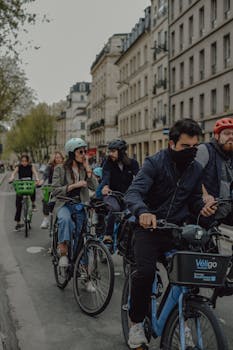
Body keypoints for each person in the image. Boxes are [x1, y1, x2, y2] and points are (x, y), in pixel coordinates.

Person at [124, 119, 217, 349]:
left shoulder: (195, 168)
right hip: (148, 229)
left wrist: (203, 207)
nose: (191, 152)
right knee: (145, 273)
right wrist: (143, 212)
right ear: (172, 143)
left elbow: (194, 199)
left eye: (195, 147)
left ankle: (181, 314)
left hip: (175, 231)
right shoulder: (154, 163)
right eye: (186, 147)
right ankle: (135, 323)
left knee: (189, 277)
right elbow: (133, 193)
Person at [51, 138, 97, 268]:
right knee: (65, 221)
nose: (84, 155)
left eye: (85, 151)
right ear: (72, 153)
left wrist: (88, 169)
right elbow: (55, 191)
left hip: (80, 205)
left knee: (82, 235)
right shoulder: (60, 169)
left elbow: (95, 187)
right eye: (80, 152)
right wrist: (73, 186)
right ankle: (64, 253)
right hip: (64, 204)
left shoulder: (84, 169)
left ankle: (81, 267)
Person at [101, 139, 139, 245]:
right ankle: (108, 234)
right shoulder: (108, 163)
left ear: (121, 152)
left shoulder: (133, 163)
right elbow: (106, 177)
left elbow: (140, 178)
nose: (110, 154)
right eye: (110, 151)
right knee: (115, 208)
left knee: (133, 211)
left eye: (113, 151)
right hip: (112, 194)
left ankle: (127, 237)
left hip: (127, 195)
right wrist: (105, 186)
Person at [196, 117, 233, 226]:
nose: (231, 137)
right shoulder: (205, 150)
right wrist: (205, 195)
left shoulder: (231, 156)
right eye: (226, 133)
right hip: (207, 212)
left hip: (226, 213)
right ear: (216, 136)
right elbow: (192, 176)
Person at [9, 154, 40, 231]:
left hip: (29, 186)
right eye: (22, 161)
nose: (24, 162)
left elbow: (35, 173)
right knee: (18, 205)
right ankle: (18, 223)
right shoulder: (18, 167)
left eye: (25, 161)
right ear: (21, 161)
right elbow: (13, 173)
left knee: (33, 188)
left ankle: (33, 204)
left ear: (28, 161)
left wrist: (37, 178)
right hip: (21, 187)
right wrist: (12, 177)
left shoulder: (31, 166)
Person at [40, 151, 64, 229]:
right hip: (52, 187)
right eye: (57, 157)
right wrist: (41, 181)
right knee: (45, 199)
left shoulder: (65, 166)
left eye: (60, 157)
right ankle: (46, 219)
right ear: (53, 159)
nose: (58, 159)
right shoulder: (50, 167)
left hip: (62, 188)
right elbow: (45, 175)